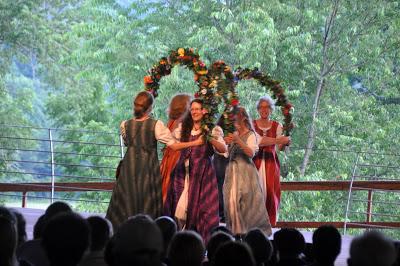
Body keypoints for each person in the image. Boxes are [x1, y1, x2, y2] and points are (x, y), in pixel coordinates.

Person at [106, 91, 203, 229]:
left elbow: (128, 143)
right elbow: (174, 146)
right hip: (147, 169)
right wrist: (195, 143)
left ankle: (122, 231)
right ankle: (145, 232)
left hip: (129, 167)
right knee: (146, 201)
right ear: (150, 107)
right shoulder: (156, 125)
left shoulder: (125, 124)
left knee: (126, 198)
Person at [164, 98, 227, 243]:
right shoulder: (184, 128)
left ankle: (198, 244)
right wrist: (195, 142)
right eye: (192, 109)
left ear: (204, 111)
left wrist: (209, 138)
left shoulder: (213, 129)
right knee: (179, 210)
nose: (194, 112)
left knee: (201, 211)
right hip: (183, 174)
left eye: (197, 109)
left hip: (203, 175)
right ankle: (178, 241)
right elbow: (173, 146)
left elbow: (223, 149)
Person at [223, 107, 272, 236]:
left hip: (245, 172)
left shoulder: (251, 134)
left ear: (243, 118)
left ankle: (251, 237)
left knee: (248, 205)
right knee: (231, 205)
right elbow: (227, 154)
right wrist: (227, 143)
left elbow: (250, 153)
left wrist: (237, 140)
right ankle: (236, 234)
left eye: (235, 118)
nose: (233, 122)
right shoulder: (235, 134)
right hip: (232, 172)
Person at [253, 95, 290, 226]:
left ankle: (269, 225)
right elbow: (256, 143)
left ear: (271, 109)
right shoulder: (251, 125)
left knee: (270, 193)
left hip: (270, 165)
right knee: (254, 193)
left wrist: (285, 140)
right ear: (258, 109)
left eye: (267, 107)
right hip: (254, 164)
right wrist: (279, 140)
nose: (264, 110)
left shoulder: (276, 125)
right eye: (261, 107)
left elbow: (279, 147)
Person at [160, 93, 191, 204]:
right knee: (172, 183)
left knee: (168, 183)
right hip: (176, 156)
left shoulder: (172, 121)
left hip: (170, 155)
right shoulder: (181, 122)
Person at [213, 115, 230, 223]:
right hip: (220, 162)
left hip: (231, 162)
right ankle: (221, 213)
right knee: (220, 184)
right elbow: (221, 150)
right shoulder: (217, 129)